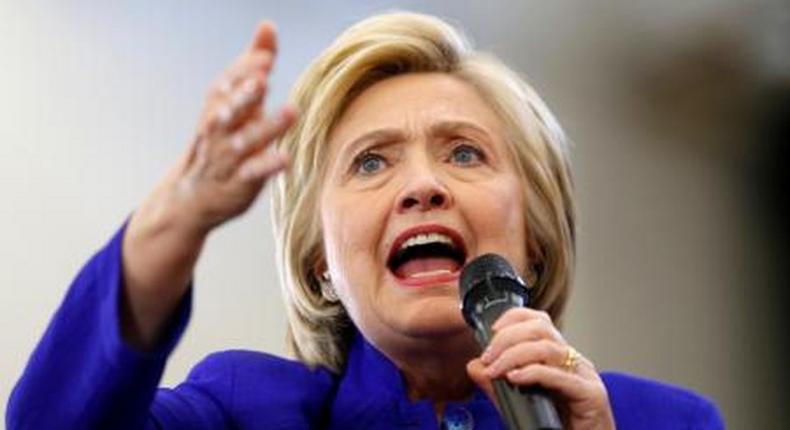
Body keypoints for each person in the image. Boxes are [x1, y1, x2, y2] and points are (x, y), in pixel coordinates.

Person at [6, 12, 723, 430]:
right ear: (321, 261)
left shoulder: (667, 421)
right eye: (372, 164)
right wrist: (178, 217)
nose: (422, 185)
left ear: (534, 237)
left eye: (465, 152)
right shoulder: (244, 412)